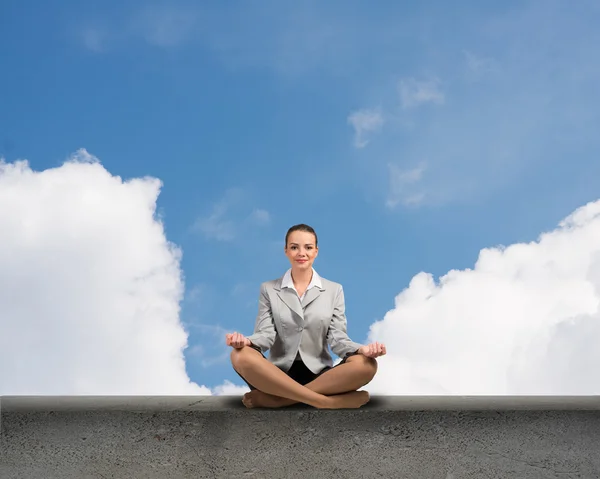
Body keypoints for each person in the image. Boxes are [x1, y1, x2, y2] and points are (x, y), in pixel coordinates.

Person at [225, 223, 386, 409]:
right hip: (276, 375)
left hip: (321, 376)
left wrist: (362, 350)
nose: (302, 253)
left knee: (366, 365)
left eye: (308, 247)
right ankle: (325, 402)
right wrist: (245, 342)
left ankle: (279, 401)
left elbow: (338, 338)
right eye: (294, 247)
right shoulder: (269, 289)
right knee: (240, 356)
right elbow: (265, 335)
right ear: (286, 251)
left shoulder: (334, 290)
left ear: (316, 251)